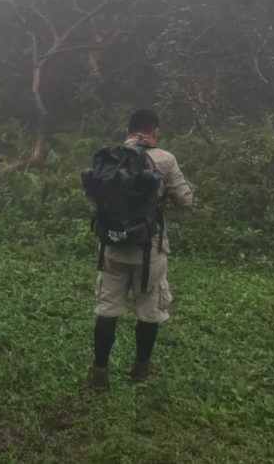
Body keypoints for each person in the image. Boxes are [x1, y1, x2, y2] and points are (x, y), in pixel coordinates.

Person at [87, 109, 194, 391]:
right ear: (154, 132)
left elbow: (94, 196)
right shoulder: (165, 159)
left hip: (111, 247)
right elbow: (185, 202)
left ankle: (99, 373)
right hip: (149, 250)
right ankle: (140, 370)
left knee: (107, 310)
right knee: (148, 311)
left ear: (129, 129)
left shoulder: (109, 157)